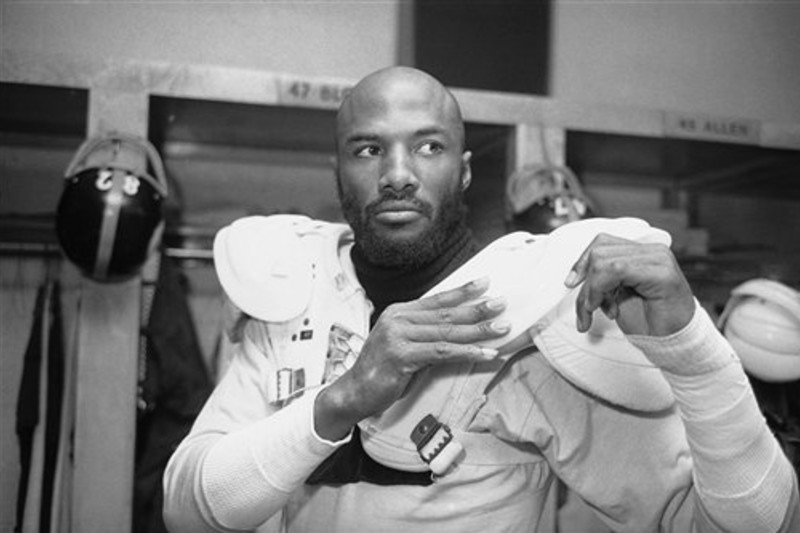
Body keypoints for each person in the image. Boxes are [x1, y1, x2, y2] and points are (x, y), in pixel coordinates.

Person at [162, 66, 800, 532]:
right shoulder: (296, 287)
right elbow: (188, 508)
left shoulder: (527, 318)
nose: (398, 173)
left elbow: (744, 525)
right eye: (368, 148)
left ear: (465, 170)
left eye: (428, 145)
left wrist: (692, 349)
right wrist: (342, 402)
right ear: (338, 170)